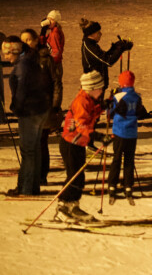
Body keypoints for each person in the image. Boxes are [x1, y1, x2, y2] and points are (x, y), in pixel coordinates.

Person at [3, 35, 51, 196]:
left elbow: (21, 91)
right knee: (34, 149)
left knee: (28, 151)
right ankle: (32, 186)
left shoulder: (23, 65)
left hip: (30, 111)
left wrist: (16, 107)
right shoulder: (29, 60)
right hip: (40, 109)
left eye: (7, 53)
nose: (5, 57)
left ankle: (26, 188)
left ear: (16, 51)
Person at [57, 71, 108, 222]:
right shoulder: (81, 102)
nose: (101, 91)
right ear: (91, 88)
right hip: (70, 143)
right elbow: (81, 125)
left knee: (79, 177)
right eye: (100, 88)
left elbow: (91, 114)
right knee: (74, 176)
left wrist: (103, 105)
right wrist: (98, 136)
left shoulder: (88, 99)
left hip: (78, 143)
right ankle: (63, 206)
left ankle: (73, 205)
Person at [20, 28, 57, 186]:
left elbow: (56, 83)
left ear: (36, 40)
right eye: (23, 40)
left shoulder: (45, 59)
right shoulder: (21, 59)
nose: (26, 43)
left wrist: (55, 105)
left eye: (29, 39)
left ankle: (42, 175)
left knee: (41, 142)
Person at [107, 70, 148, 205]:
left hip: (119, 132)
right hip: (132, 134)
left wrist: (110, 99)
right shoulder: (137, 96)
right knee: (129, 161)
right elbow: (141, 113)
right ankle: (128, 185)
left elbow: (110, 113)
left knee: (117, 159)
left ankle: (112, 185)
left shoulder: (118, 96)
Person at [80, 18, 132, 91]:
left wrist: (115, 47)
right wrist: (120, 49)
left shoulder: (92, 44)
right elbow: (108, 61)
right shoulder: (90, 47)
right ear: (91, 34)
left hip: (97, 86)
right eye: (98, 32)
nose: (101, 34)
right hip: (93, 88)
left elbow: (103, 58)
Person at [39, 10, 65, 110]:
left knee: (55, 87)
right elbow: (42, 43)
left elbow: (56, 51)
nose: (49, 21)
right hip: (54, 63)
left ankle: (55, 108)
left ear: (56, 22)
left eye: (51, 19)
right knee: (53, 86)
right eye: (48, 19)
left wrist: (51, 64)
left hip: (55, 64)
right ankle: (52, 107)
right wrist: (43, 31)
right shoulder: (52, 33)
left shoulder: (55, 34)